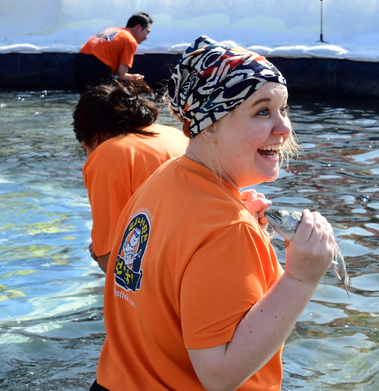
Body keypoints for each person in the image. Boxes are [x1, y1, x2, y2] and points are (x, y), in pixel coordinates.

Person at [90, 36, 336, 390]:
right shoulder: (225, 228)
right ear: (210, 125)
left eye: (283, 109)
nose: (284, 128)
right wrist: (302, 278)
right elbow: (219, 375)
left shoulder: (164, 178)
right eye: (262, 111)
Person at [72, 80, 188, 273]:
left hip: (171, 274)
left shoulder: (106, 156)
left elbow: (112, 263)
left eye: (85, 149)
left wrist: (103, 250)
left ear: (95, 137)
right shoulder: (174, 135)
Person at [73, 12, 153, 94]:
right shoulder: (130, 40)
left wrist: (130, 76)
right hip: (96, 66)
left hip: (78, 63)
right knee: (102, 102)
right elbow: (121, 73)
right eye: (147, 32)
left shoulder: (112, 30)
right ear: (138, 27)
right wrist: (130, 78)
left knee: (86, 100)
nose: (147, 37)